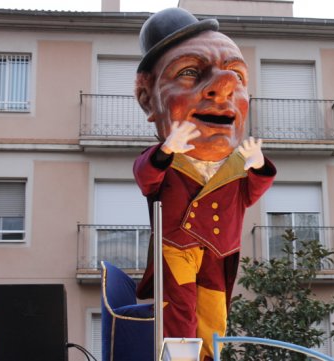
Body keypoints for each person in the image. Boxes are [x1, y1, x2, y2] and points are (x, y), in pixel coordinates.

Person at [132, 8, 276, 360]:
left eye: (237, 76)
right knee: (178, 308)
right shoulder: (167, 158)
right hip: (177, 246)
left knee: (214, 311)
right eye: (189, 72)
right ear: (146, 98)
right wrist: (166, 150)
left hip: (218, 250)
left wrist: (258, 167)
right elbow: (146, 176)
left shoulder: (236, 164)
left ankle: (210, 357)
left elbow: (248, 195)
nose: (223, 86)